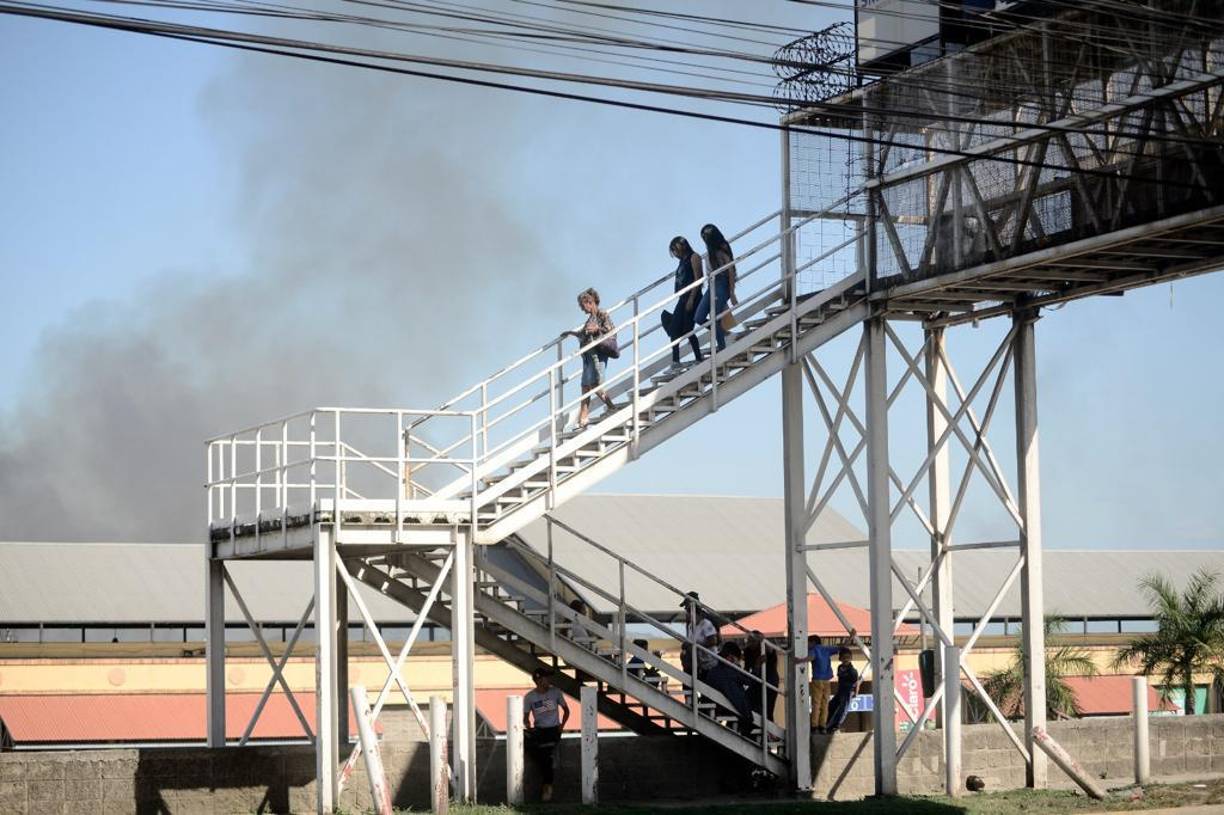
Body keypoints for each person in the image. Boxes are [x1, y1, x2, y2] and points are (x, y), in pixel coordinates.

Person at [562, 288, 617, 429]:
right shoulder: (589, 320)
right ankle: (583, 419)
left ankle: (611, 407)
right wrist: (571, 333)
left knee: (594, 384)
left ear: (590, 302)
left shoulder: (602, 314)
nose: (582, 308)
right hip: (587, 357)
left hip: (597, 355)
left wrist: (597, 330)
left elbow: (611, 330)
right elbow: (583, 334)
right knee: (585, 387)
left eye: (583, 305)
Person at [523, 667, 570, 802]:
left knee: (546, 754)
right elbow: (525, 717)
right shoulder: (530, 697)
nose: (549, 681)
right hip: (539, 730)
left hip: (553, 729)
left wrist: (561, 727)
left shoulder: (556, 693)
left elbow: (566, 711)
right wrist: (528, 726)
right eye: (546, 678)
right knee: (535, 749)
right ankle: (547, 785)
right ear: (538, 680)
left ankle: (547, 786)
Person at [798, 628, 855, 732]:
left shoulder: (814, 650)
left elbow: (810, 658)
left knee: (816, 703)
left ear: (813, 642)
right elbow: (841, 647)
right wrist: (851, 636)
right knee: (825, 704)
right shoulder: (827, 649)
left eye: (808, 642)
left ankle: (814, 725)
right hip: (827, 681)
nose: (806, 645)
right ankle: (823, 726)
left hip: (817, 680)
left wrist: (799, 660)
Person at [693, 224, 738, 353]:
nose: (705, 238)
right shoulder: (709, 252)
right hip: (711, 284)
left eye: (707, 235)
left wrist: (732, 293)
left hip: (721, 283)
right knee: (699, 317)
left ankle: (723, 347)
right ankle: (725, 334)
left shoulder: (721, 248)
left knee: (715, 318)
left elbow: (730, 270)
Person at [663, 236, 704, 370]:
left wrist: (692, 298)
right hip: (682, 299)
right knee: (674, 328)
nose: (675, 253)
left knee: (688, 329)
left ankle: (699, 357)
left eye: (675, 249)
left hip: (693, 296)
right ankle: (675, 361)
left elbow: (698, 279)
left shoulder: (694, 257)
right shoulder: (682, 262)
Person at [703, 641, 754, 736]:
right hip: (725, 707)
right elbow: (748, 681)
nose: (738, 664)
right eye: (737, 660)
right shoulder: (729, 673)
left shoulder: (713, 671)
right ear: (730, 658)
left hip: (716, 706)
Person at [680, 591, 718, 679]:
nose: (686, 612)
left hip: (709, 662)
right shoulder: (690, 625)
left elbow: (714, 641)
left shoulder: (706, 622)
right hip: (699, 662)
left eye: (687, 609)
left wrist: (695, 645)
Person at [743, 630, 779, 722]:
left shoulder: (766, 649)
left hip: (770, 680)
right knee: (752, 703)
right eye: (749, 640)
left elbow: (771, 652)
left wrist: (763, 641)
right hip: (756, 680)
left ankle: (770, 730)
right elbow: (747, 668)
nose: (750, 643)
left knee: (768, 708)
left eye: (753, 640)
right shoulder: (747, 651)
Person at [825, 646, 860, 734]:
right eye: (844, 658)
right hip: (840, 691)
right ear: (840, 658)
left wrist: (856, 692)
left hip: (848, 692)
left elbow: (857, 683)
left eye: (848, 658)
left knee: (843, 709)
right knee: (832, 705)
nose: (846, 660)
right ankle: (826, 723)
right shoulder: (840, 667)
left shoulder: (853, 671)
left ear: (851, 658)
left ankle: (836, 726)